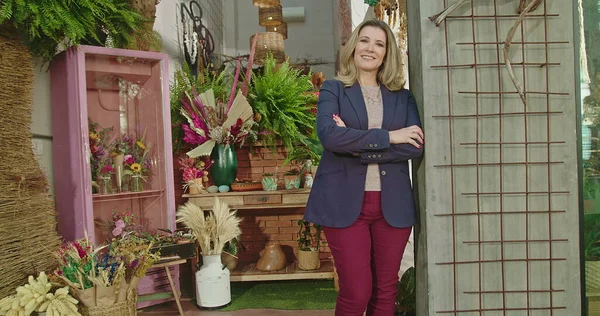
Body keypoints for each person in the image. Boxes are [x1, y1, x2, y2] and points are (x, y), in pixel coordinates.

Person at [304, 18, 424, 316]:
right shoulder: (334, 89)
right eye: (365, 40)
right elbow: (330, 137)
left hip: (391, 206)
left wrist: (357, 144)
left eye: (379, 43)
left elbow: (415, 145)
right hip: (344, 204)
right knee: (357, 292)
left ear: (387, 54)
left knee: (386, 292)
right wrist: (390, 137)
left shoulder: (402, 96)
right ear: (354, 45)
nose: (370, 48)